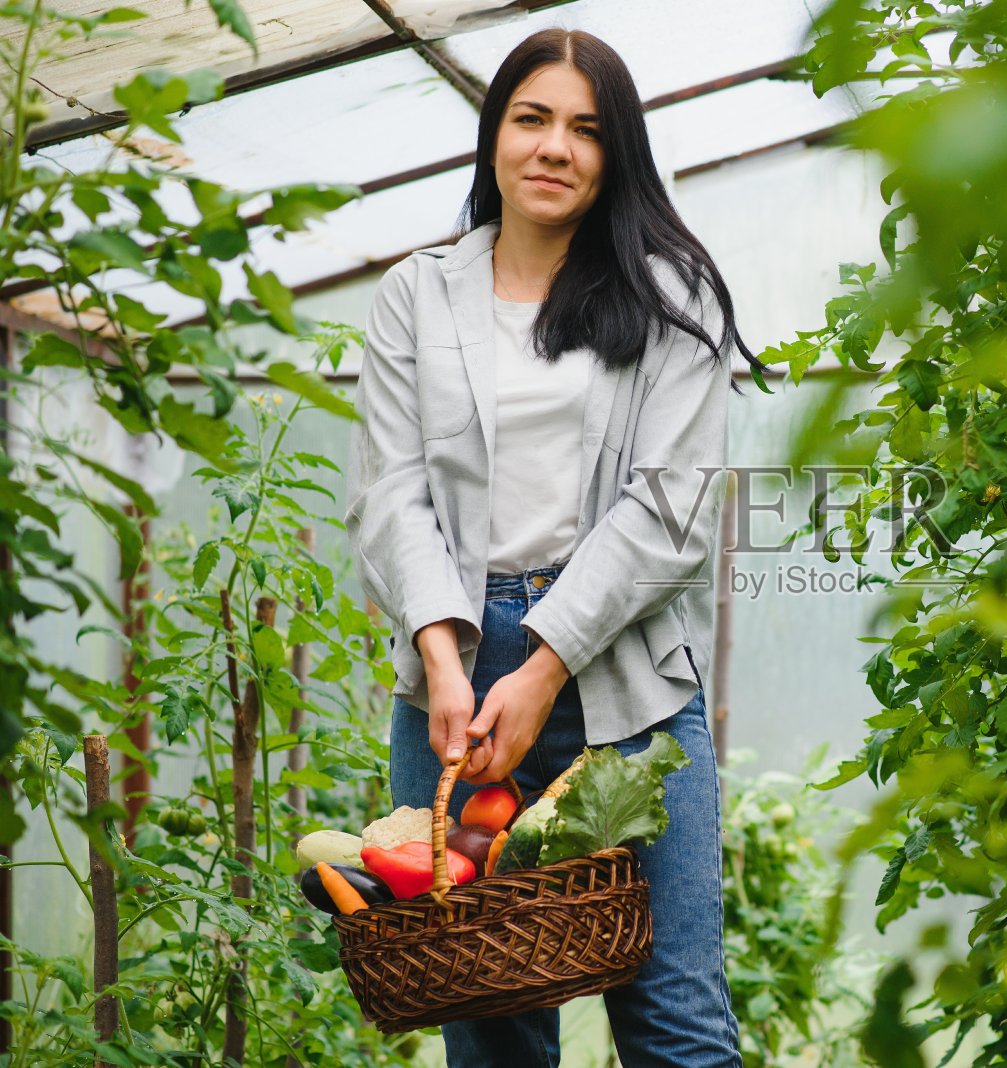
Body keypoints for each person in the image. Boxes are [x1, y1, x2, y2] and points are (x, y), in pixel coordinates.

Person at [344, 26, 763, 1068]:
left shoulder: (673, 300)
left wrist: (541, 668)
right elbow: (391, 489)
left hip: (624, 680)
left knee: (676, 1023)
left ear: (615, 152)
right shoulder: (418, 293)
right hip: (452, 671)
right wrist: (447, 659)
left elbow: (666, 514)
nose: (554, 148)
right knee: (487, 1015)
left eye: (585, 128)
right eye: (531, 119)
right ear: (493, 137)